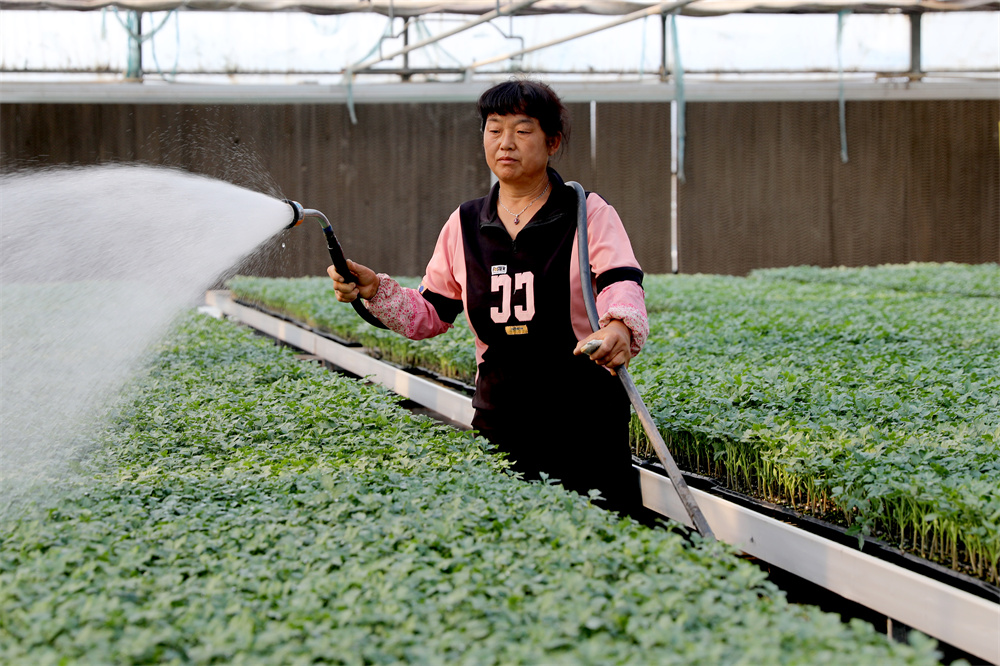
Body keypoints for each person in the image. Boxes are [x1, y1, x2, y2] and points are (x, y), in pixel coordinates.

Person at [329, 78, 650, 521]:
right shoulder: (464, 223)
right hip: (501, 423)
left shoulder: (587, 212)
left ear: (552, 141)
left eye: (522, 130)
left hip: (583, 423)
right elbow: (431, 314)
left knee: (600, 540)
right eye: (494, 129)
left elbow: (621, 281)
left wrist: (618, 327)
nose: (506, 143)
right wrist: (374, 290)